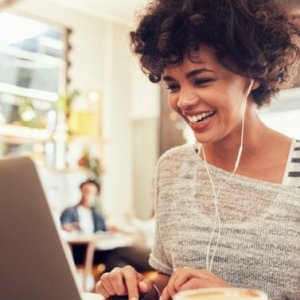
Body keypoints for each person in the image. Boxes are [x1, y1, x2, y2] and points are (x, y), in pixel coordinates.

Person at [95, 1, 300, 300]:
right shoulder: (172, 168)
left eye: (202, 80)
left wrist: (235, 296)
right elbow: (168, 283)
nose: (184, 101)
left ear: (254, 73)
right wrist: (138, 288)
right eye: (173, 86)